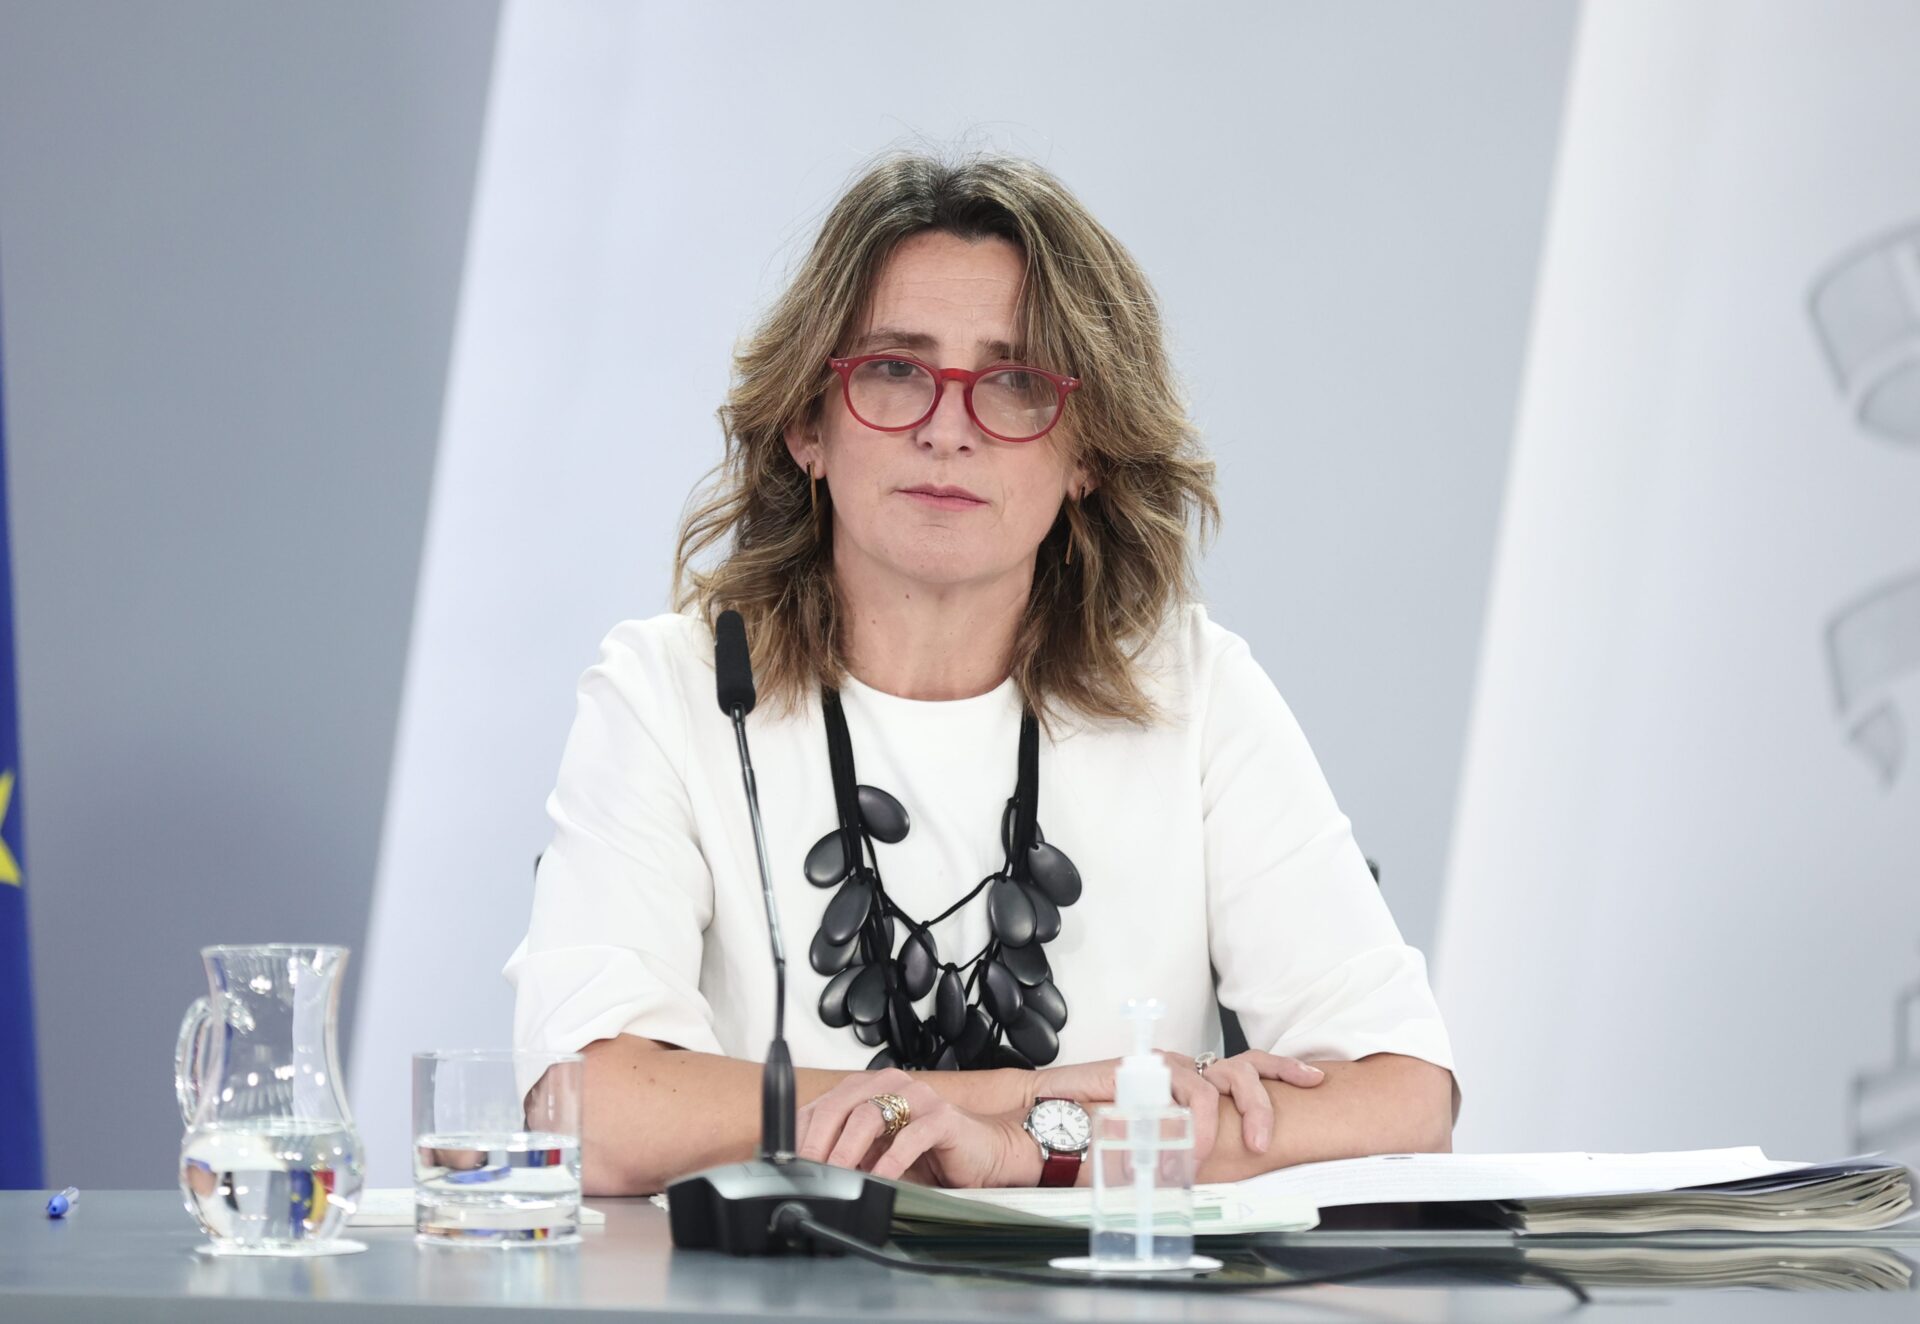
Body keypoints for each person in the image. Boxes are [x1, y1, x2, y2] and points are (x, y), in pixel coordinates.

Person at [506, 152, 1459, 1197]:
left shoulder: (1196, 691)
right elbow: (592, 1111)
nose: (947, 428)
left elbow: (1405, 1098)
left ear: (1087, 455)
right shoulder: (669, 689)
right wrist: (1040, 1092)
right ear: (807, 425)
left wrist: (1030, 1146)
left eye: (1015, 384)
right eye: (894, 370)